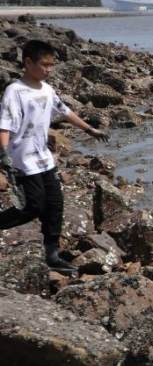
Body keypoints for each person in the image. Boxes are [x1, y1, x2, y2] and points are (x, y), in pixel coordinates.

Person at [0, 39, 109, 273]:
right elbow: (5, 126)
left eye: (51, 65)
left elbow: (64, 111)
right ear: (28, 62)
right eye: (44, 64)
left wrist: (89, 129)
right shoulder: (15, 91)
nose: (49, 70)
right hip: (22, 160)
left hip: (44, 158)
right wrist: (4, 156)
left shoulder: (47, 90)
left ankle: (52, 254)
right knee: (33, 206)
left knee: (55, 204)